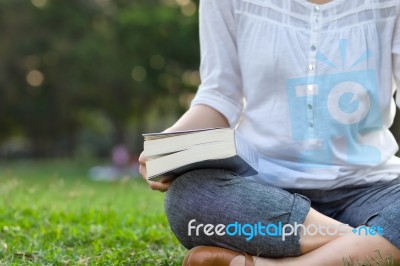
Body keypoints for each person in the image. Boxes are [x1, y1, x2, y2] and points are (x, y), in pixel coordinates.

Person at [139, 0, 400, 265]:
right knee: (189, 198)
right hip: (263, 194)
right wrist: (169, 147)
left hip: (371, 189)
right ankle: (370, 245)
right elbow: (219, 95)